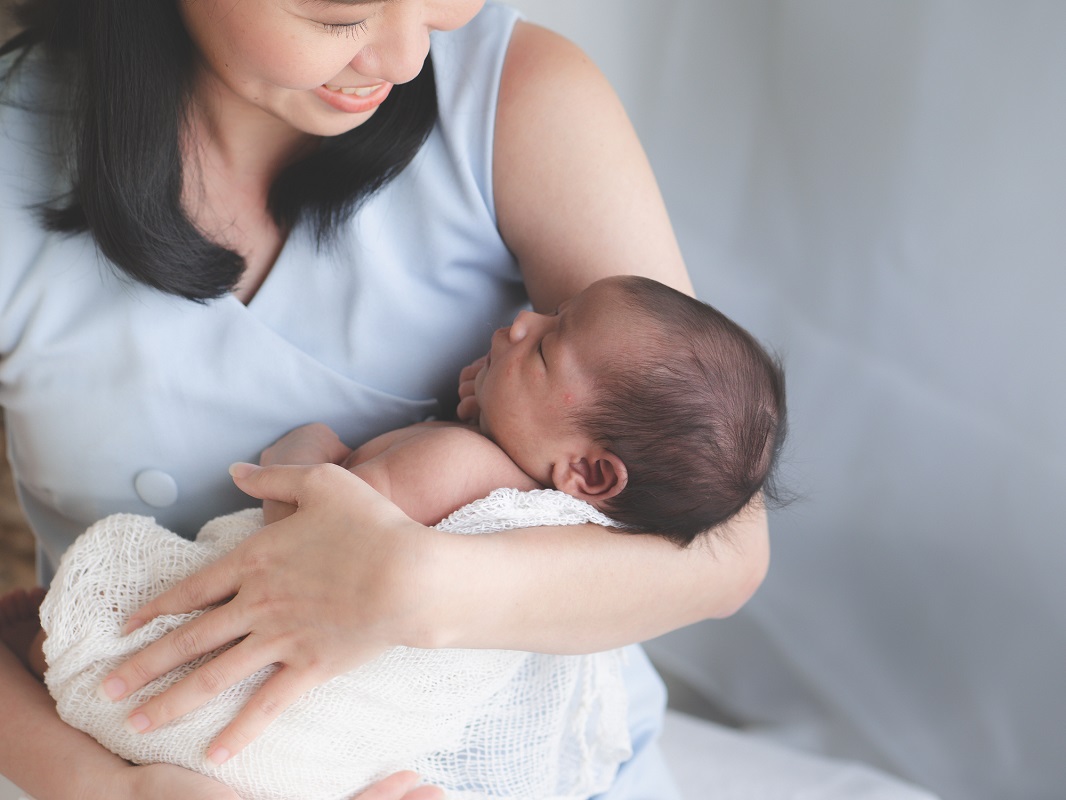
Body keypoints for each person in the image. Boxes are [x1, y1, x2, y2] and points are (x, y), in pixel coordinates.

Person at [0, 2, 772, 798]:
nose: (408, 61)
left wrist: (412, 588)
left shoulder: (521, 99)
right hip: (121, 745)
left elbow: (725, 549)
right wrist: (127, 791)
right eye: (341, 16)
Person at [0, 273, 786, 798]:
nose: (519, 321)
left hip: (274, 687)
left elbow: (310, 539)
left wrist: (303, 445)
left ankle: (40, 645)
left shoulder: (455, 460)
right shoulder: (575, 536)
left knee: (109, 629)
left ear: (589, 475)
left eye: (546, 345)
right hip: (358, 758)